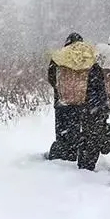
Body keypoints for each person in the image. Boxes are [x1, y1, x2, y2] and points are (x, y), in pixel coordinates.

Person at [46, 32, 86, 162]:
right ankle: (74, 152)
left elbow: (51, 77)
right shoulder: (86, 58)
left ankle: (62, 151)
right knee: (76, 125)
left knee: (62, 127)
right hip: (80, 100)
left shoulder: (59, 56)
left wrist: (60, 89)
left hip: (61, 101)